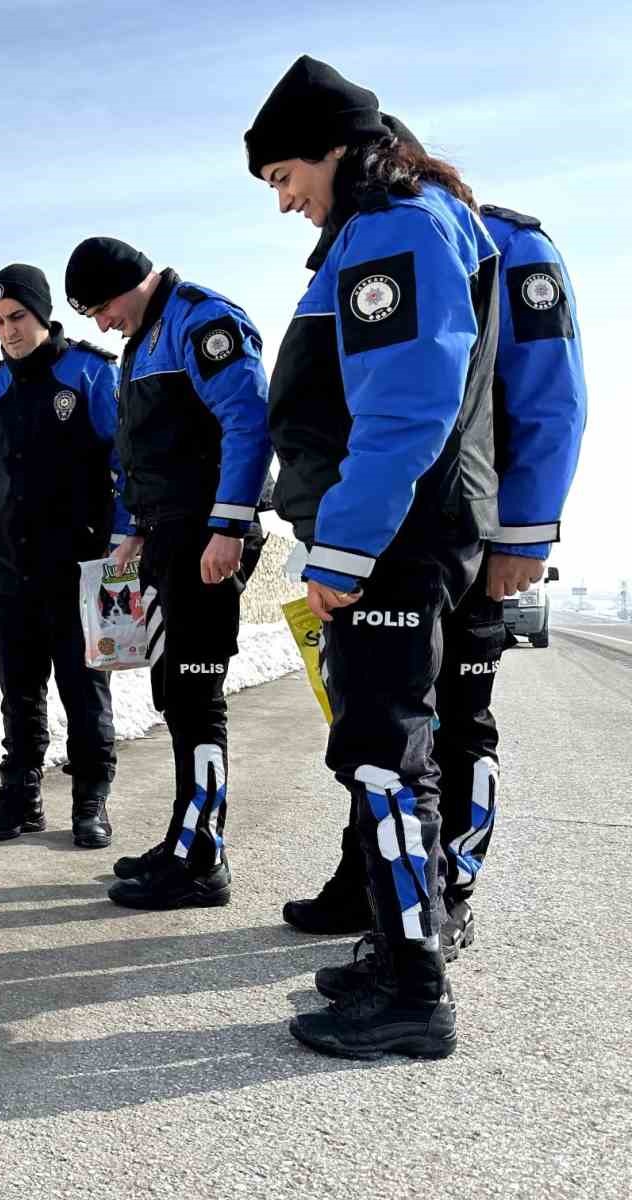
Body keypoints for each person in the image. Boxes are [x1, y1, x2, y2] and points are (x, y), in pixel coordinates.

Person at [283, 118, 589, 969]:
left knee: (452, 725)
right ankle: (377, 892)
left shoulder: (503, 243)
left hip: (465, 526)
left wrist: (522, 533)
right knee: (386, 722)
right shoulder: (370, 240)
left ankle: (443, 899)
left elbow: (548, 398)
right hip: (406, 521)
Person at [246, 55, 502, 1059]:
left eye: (282, 176)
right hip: (399, 536)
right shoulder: (400, 222)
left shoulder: (394, 227)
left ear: (335, 147)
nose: (282, 202)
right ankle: (398, 946)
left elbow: (404, 406)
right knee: (389, 752)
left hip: (391, 542)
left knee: (383, 759)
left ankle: (411, 988)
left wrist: (344, 550)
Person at [63, 238, 272, 910]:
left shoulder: (200, 322)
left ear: (132, 283)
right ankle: (183, 838)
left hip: (207, 539)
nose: (100, 324)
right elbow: (142, 451)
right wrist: (131, 530)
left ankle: (203, 859)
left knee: (197, 697)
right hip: (168, 539)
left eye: (101, 308)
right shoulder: (144, 341)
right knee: (175, 697)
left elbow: (248, 422)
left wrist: (229, 527)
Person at [0, 263, 129, 850]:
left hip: (80, 567)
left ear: (42, 313)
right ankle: (21, 795)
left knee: (85, 690)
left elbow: (122, 464)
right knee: (20, 691)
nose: (8, 331)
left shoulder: (88, 373)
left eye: (18, 318)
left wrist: (121, 541)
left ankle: (90, 800)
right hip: (9, 569)